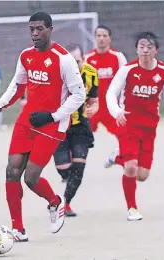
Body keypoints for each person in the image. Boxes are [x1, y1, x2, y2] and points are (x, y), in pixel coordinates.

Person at [0, 11, 86, 241]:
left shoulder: (64, 59)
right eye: (32, 29)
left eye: (40, 29)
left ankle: (55, 202)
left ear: (50, 29)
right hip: (27, 121)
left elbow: (79, 95)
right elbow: (17, 87)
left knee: (30, 178)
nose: (35, 33)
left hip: (52, 125)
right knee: (11, 171)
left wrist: (52, 116)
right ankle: (18, 229)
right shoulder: (26, 55)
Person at [105, 32, 164, 221]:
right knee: (131, 167)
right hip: (127, 124)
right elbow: (110, 93)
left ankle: (117, 157)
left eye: (149, 47)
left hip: (149, 128)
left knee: (142, 175)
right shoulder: (128, 69)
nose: (145, 50)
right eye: (141, 47)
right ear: (137, 49)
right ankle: (132, 208)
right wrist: (117, 112)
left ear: (156, 50)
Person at [54, 43, 99, 217]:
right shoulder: (57, 75)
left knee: (79, 168)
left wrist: (94, 107)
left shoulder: (91, 73)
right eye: (70, 62)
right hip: (59, 126)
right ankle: (65, 175)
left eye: (77, 61)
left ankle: (67, 204)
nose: (74, 66)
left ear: (84, 59)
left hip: (80, 125)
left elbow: (94, 100)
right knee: (64, 168)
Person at [85, 25, 127, 136]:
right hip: (93, 107)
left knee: (123, 136)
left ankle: (121, 154)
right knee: (82, 139)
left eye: (104, 35)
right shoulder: (87, 58)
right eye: (99, 35)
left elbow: (126, 83)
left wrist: (123, 106)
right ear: (95, 37)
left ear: (109, 38)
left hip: (111, 106)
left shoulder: (118, 57)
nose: (101, 38)